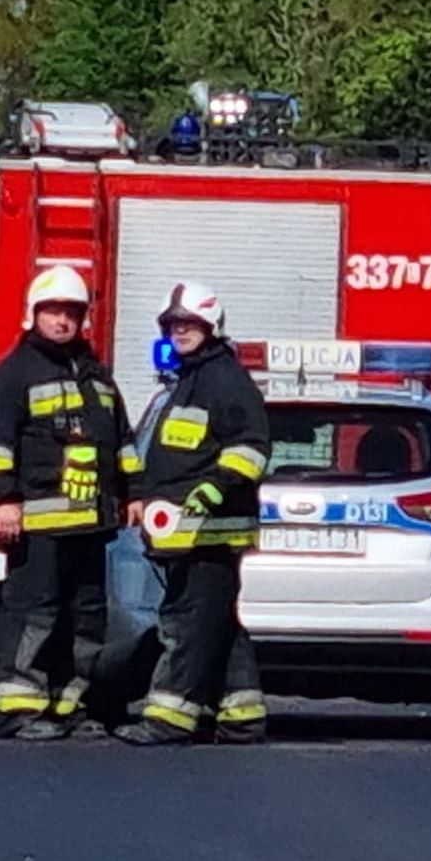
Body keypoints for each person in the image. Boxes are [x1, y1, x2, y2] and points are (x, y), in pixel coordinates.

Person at [0, 265, 140, 740]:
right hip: (38, 525)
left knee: (86, 618)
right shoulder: (12, 376)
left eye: (71, 312)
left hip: (92, 527)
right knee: (33, 614)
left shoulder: (97, 377)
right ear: (34, 315)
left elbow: (121, 442)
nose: (63, 320)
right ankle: (19, 707)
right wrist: (3, 498)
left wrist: (134, 495)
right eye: (53, 311)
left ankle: (72, 703)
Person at [117, 281, 273, 747]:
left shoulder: (225, 380)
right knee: (217, 621)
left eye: (190, 324)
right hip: (186, 531)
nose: (180, 331)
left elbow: (251, 449)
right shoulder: (189, 378)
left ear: (211, 327)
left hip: (212, 529)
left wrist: (210, 492)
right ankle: (242, 714)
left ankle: (170, 716)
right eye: (174, 324)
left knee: (186, 622)